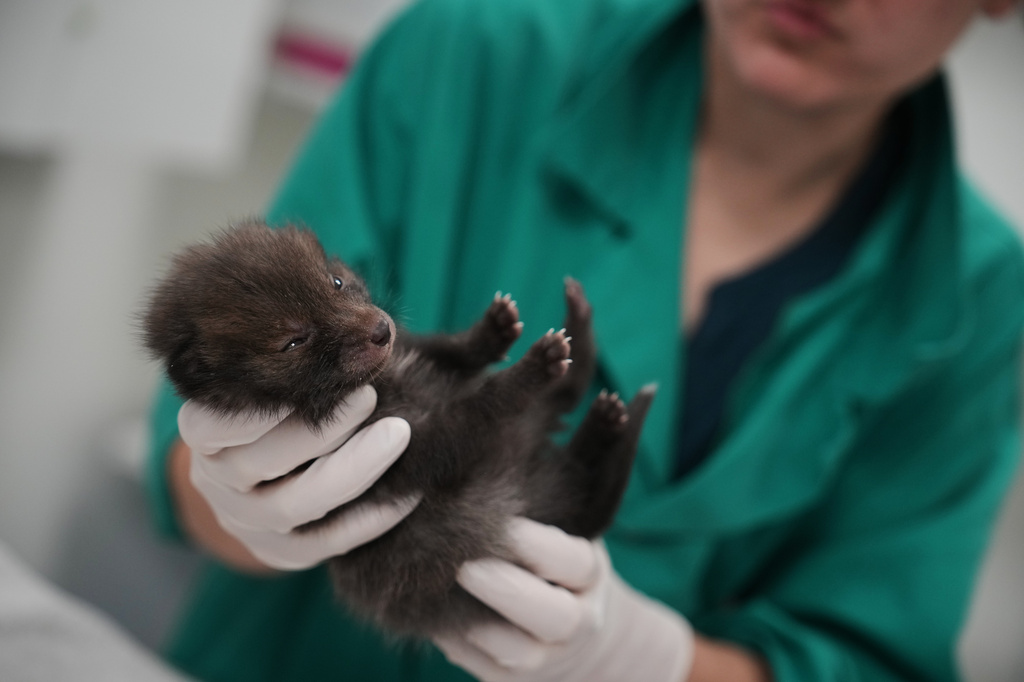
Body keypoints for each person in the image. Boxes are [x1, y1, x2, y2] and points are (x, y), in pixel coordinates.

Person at [146, 0, 1024, 680]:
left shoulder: (986, 299)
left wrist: (654, 665)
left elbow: (866, 659)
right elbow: (193, 443)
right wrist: (242, 501)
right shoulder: (473, 48)